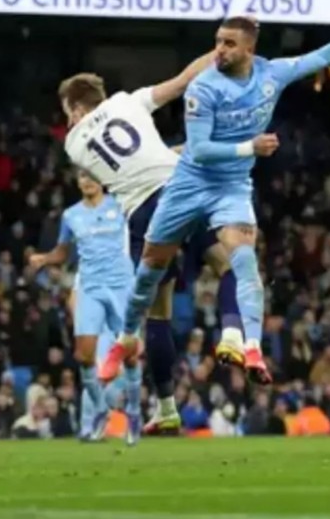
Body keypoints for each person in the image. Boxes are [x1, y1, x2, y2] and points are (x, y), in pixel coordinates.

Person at [109, 7, 330, 390]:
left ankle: (252, 347)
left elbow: (327, 55)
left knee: (245, 258)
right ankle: (124, 339)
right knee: (150, 266)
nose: (219, 50)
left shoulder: (272, 74)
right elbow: (198, 150)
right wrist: (249, 146)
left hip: (231, 188)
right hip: (188, 185)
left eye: (229, 44)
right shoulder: (203, 87)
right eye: (217, 41)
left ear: (249, 49)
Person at [58, 53, 241, 434]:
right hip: (182, 188)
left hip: (145, 212)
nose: (67, 120)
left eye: (66, 111)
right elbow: (182, 81)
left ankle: (167, 408)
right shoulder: (129, 100)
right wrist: (217, 54)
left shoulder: (74, 144)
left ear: (76, 107)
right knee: (227, 266)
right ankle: (232, 335)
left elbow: (124, 168)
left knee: (158, 315)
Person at [28, 170, 142, 445]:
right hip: (90, 288)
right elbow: (64, 252)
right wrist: (45, 259)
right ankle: (100, 408)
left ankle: (134, 412)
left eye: (92, 175)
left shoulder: (121, 204)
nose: (88, 180)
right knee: (85, 357)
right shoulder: (71, 215)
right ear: (77, 181)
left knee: (130, 355)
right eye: (82, 176)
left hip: (121, 287)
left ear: (102, 179)